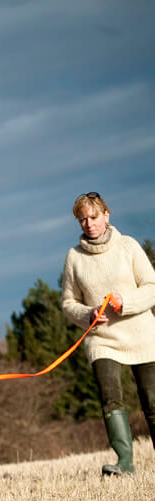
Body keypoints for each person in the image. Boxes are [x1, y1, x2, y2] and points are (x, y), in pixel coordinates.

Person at [62, 191, 155, 475]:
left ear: (106, 215)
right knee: (110, 397)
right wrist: (88, 314)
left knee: (151, 399)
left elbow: (151, 287)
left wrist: (126, 302)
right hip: (102, 340)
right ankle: (125, 462)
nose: (89, 224)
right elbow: (68, 303)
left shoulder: (128, 246)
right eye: (82, 219)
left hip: (142, 335)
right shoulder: (74, 257)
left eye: (93, 217)